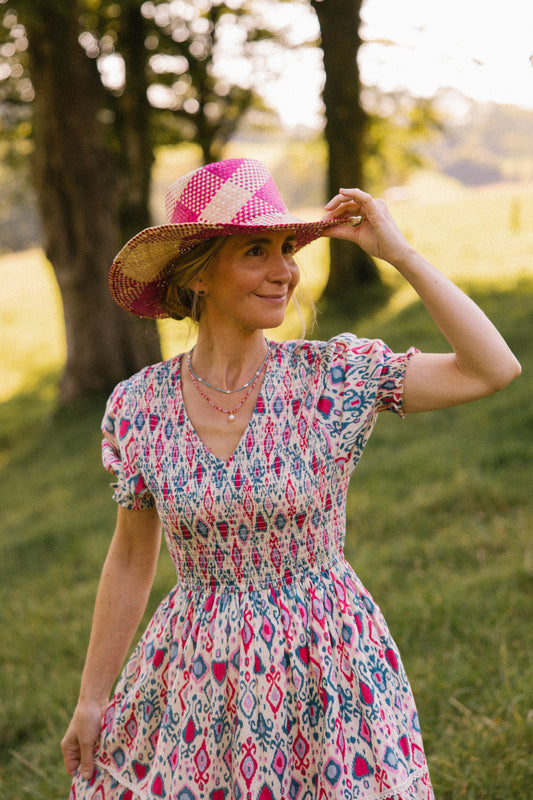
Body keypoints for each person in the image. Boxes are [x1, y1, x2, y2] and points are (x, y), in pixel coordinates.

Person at [61, 157, 520, 800]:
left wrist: (403, 255)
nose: (284, 271)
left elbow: (491, 370)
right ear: (199, 274)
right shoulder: (138, 406)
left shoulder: (333, 376)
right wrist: (91, 698)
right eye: (257, 251)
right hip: (198, 670)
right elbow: (132, 557)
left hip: (327, 660)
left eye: (286, 249)